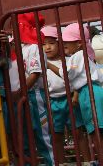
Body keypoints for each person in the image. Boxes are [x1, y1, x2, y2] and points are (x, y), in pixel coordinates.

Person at [49, 23, 103, 159]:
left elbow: (66, 74)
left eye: (68, 41)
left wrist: (48, 65)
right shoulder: (81, 55)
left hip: (89, 92)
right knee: (95, 130)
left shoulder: (78, 56)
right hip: (88, 91)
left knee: (96, 130)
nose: (64, 43)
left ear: (79, 43)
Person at [41, 25, 88, 163]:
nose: (47, 47)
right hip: (52, 101)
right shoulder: (41, 65)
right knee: (56, 135)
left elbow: (77, 79)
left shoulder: (69, 60)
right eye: (43, 44)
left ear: (59, 44)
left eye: (51, 43)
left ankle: (87, 161)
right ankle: (61, 163)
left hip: (70, 99)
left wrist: (76, 95)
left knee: (78, 132)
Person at [15, 13, 53, 165]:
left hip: (35, 94)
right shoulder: (19, 47)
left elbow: (35, 73)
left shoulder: (35, 47)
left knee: (43, 135)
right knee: (24, 136)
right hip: (23, 95)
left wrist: (19, 92)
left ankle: (52, 162)